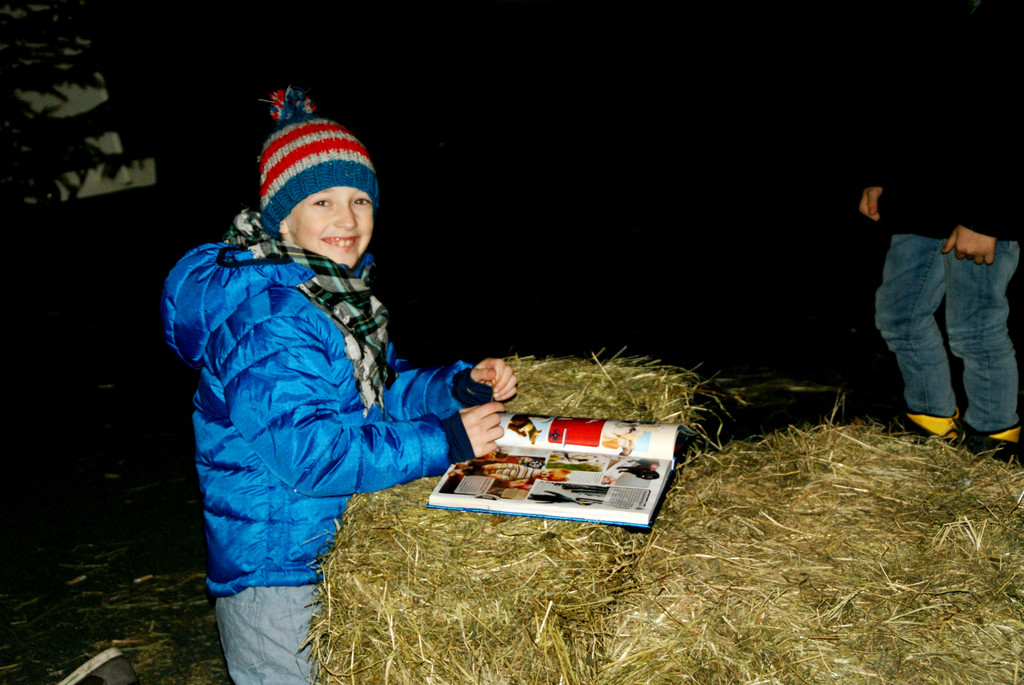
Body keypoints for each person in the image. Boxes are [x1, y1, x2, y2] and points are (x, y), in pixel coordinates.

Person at [160, 87, 517, 683]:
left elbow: (378, 394)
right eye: (321, 201)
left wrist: (457, 389)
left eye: (359, 199)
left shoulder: (337, 302)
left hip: (326, 554)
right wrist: (445, 443)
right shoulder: (273, 318)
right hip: (278, 572)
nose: (346, 220)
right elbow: (309, 455)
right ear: (283, 215)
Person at [858, 0, 1018, 459]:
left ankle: (993, 439)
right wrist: (880, 173)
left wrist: (987, 218)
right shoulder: (926, 11)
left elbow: (1006, 116)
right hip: (921, 198)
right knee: (899, 317)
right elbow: (907, 95)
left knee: (975, 328)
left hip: (981, 205)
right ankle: (931, 426)